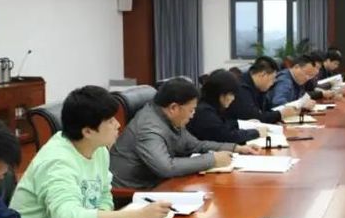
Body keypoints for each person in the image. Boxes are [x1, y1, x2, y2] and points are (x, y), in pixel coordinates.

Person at [11, 86, 172, 218]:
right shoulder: (57, 161)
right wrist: (138, 216)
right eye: (110, 121)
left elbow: (104, 194)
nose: (117, 124)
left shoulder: (99, 148)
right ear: (87, 132)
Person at [110, 79, 258, 190]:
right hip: (133, 193)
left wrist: (235, 148)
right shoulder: (149, 128)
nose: (193, 115)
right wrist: (212, 160)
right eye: (191, 110)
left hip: (158, 185)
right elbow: (166, 167)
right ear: (174, 108)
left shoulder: (168, 118)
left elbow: (195, 145)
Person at [187, 69, 267, 144]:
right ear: (221, 94)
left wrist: (243, 124)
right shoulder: (205, 112)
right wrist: (256, 132)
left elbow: (223, 124)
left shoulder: (210, 106)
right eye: (231, 94)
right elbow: (227, 136)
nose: (233, 98)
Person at [227, 57, 298, 124]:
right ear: (263, 75)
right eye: (273, 78)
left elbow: (266, 110)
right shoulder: (242, 87)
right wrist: (281, 114)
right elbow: (255, 117)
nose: (273, 82)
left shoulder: (259, 88)